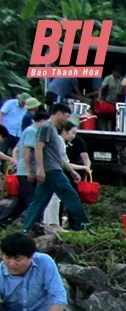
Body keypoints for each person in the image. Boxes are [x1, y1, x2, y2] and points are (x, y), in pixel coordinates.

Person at [22, 104, 89, 233]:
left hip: (52, 168)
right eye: (67, 116)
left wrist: (71, 170)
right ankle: (85, 225)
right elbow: (38, 147)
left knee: (39, 201)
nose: (67, 119)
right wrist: (40, 169)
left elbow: (57, 156)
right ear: (59, 113)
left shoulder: (52, 129)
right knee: (71, 196)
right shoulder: (46, 127)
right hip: (52, 170)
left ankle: (26, 229)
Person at [0, 232, 67, 311]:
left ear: (31, 257)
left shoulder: (44, 262)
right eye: (7, 258)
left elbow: (58, 296)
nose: (11, 263)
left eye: (18, 259)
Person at [0, 112, 48, 228]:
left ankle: (2, 221)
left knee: (22, 201)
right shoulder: (32, 131)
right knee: (30, 199)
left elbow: (18, 149)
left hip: (25, 169)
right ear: (42, 121)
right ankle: (35, 223)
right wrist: (30, 170)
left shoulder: (30, 131)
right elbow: (27, 151)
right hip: (27, 170)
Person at [91, 65, 125, 131]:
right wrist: (99, 97)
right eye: (117, 72)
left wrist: (121, 94)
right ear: (114, 72)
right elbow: (101, 88)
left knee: (115, 118)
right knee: (105, 117)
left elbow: (125, 91)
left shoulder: (123, 79)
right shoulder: (108, 78)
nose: (119, 74)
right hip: (108, 101)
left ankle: (114, 131)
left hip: (118, 102)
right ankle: (104, 131)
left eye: (120, 73)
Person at [0, 92, 30, 163]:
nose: (23, 104)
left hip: (18, 134)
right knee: (2, 150)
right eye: (23, 102)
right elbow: (1, 112)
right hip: (7, 132)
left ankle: (14, 170)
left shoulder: (27, 108)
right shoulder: (10, 103)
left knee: (17, 154)